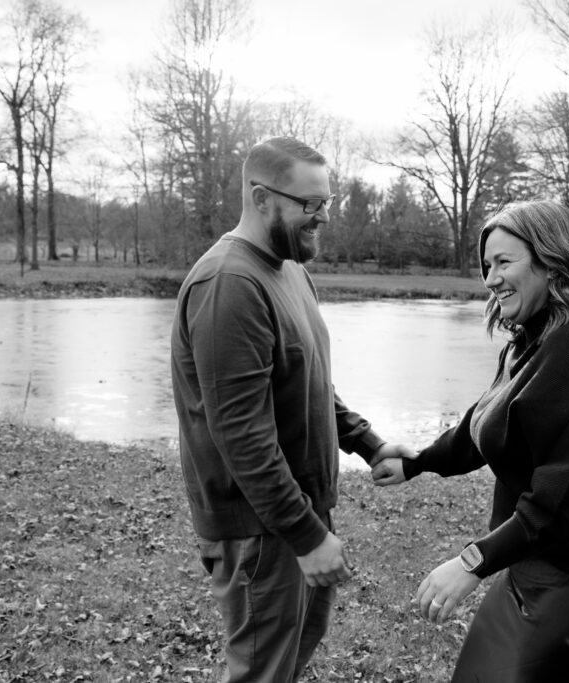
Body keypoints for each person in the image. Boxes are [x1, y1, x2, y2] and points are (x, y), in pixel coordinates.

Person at [373, 200, 569, 682]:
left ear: (552, 263)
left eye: (504, 262)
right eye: (487, 265)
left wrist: (473, 562)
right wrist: (419, 461)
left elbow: (562, 500)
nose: (490, 278)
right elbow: (485, 426)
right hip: (537, 566)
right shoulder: (533, 341)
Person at [171, 136, 411, 682]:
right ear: (261, 199)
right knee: (262, 672)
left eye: (327, 202)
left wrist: (367, 442)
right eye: (310, 204)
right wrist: (306, 537)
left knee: (284, 664)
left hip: (297, 514)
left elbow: (310, 381)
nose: (323, 216)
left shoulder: (292, 271)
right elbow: (241, 435)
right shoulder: (229, 284)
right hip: (261, 530)